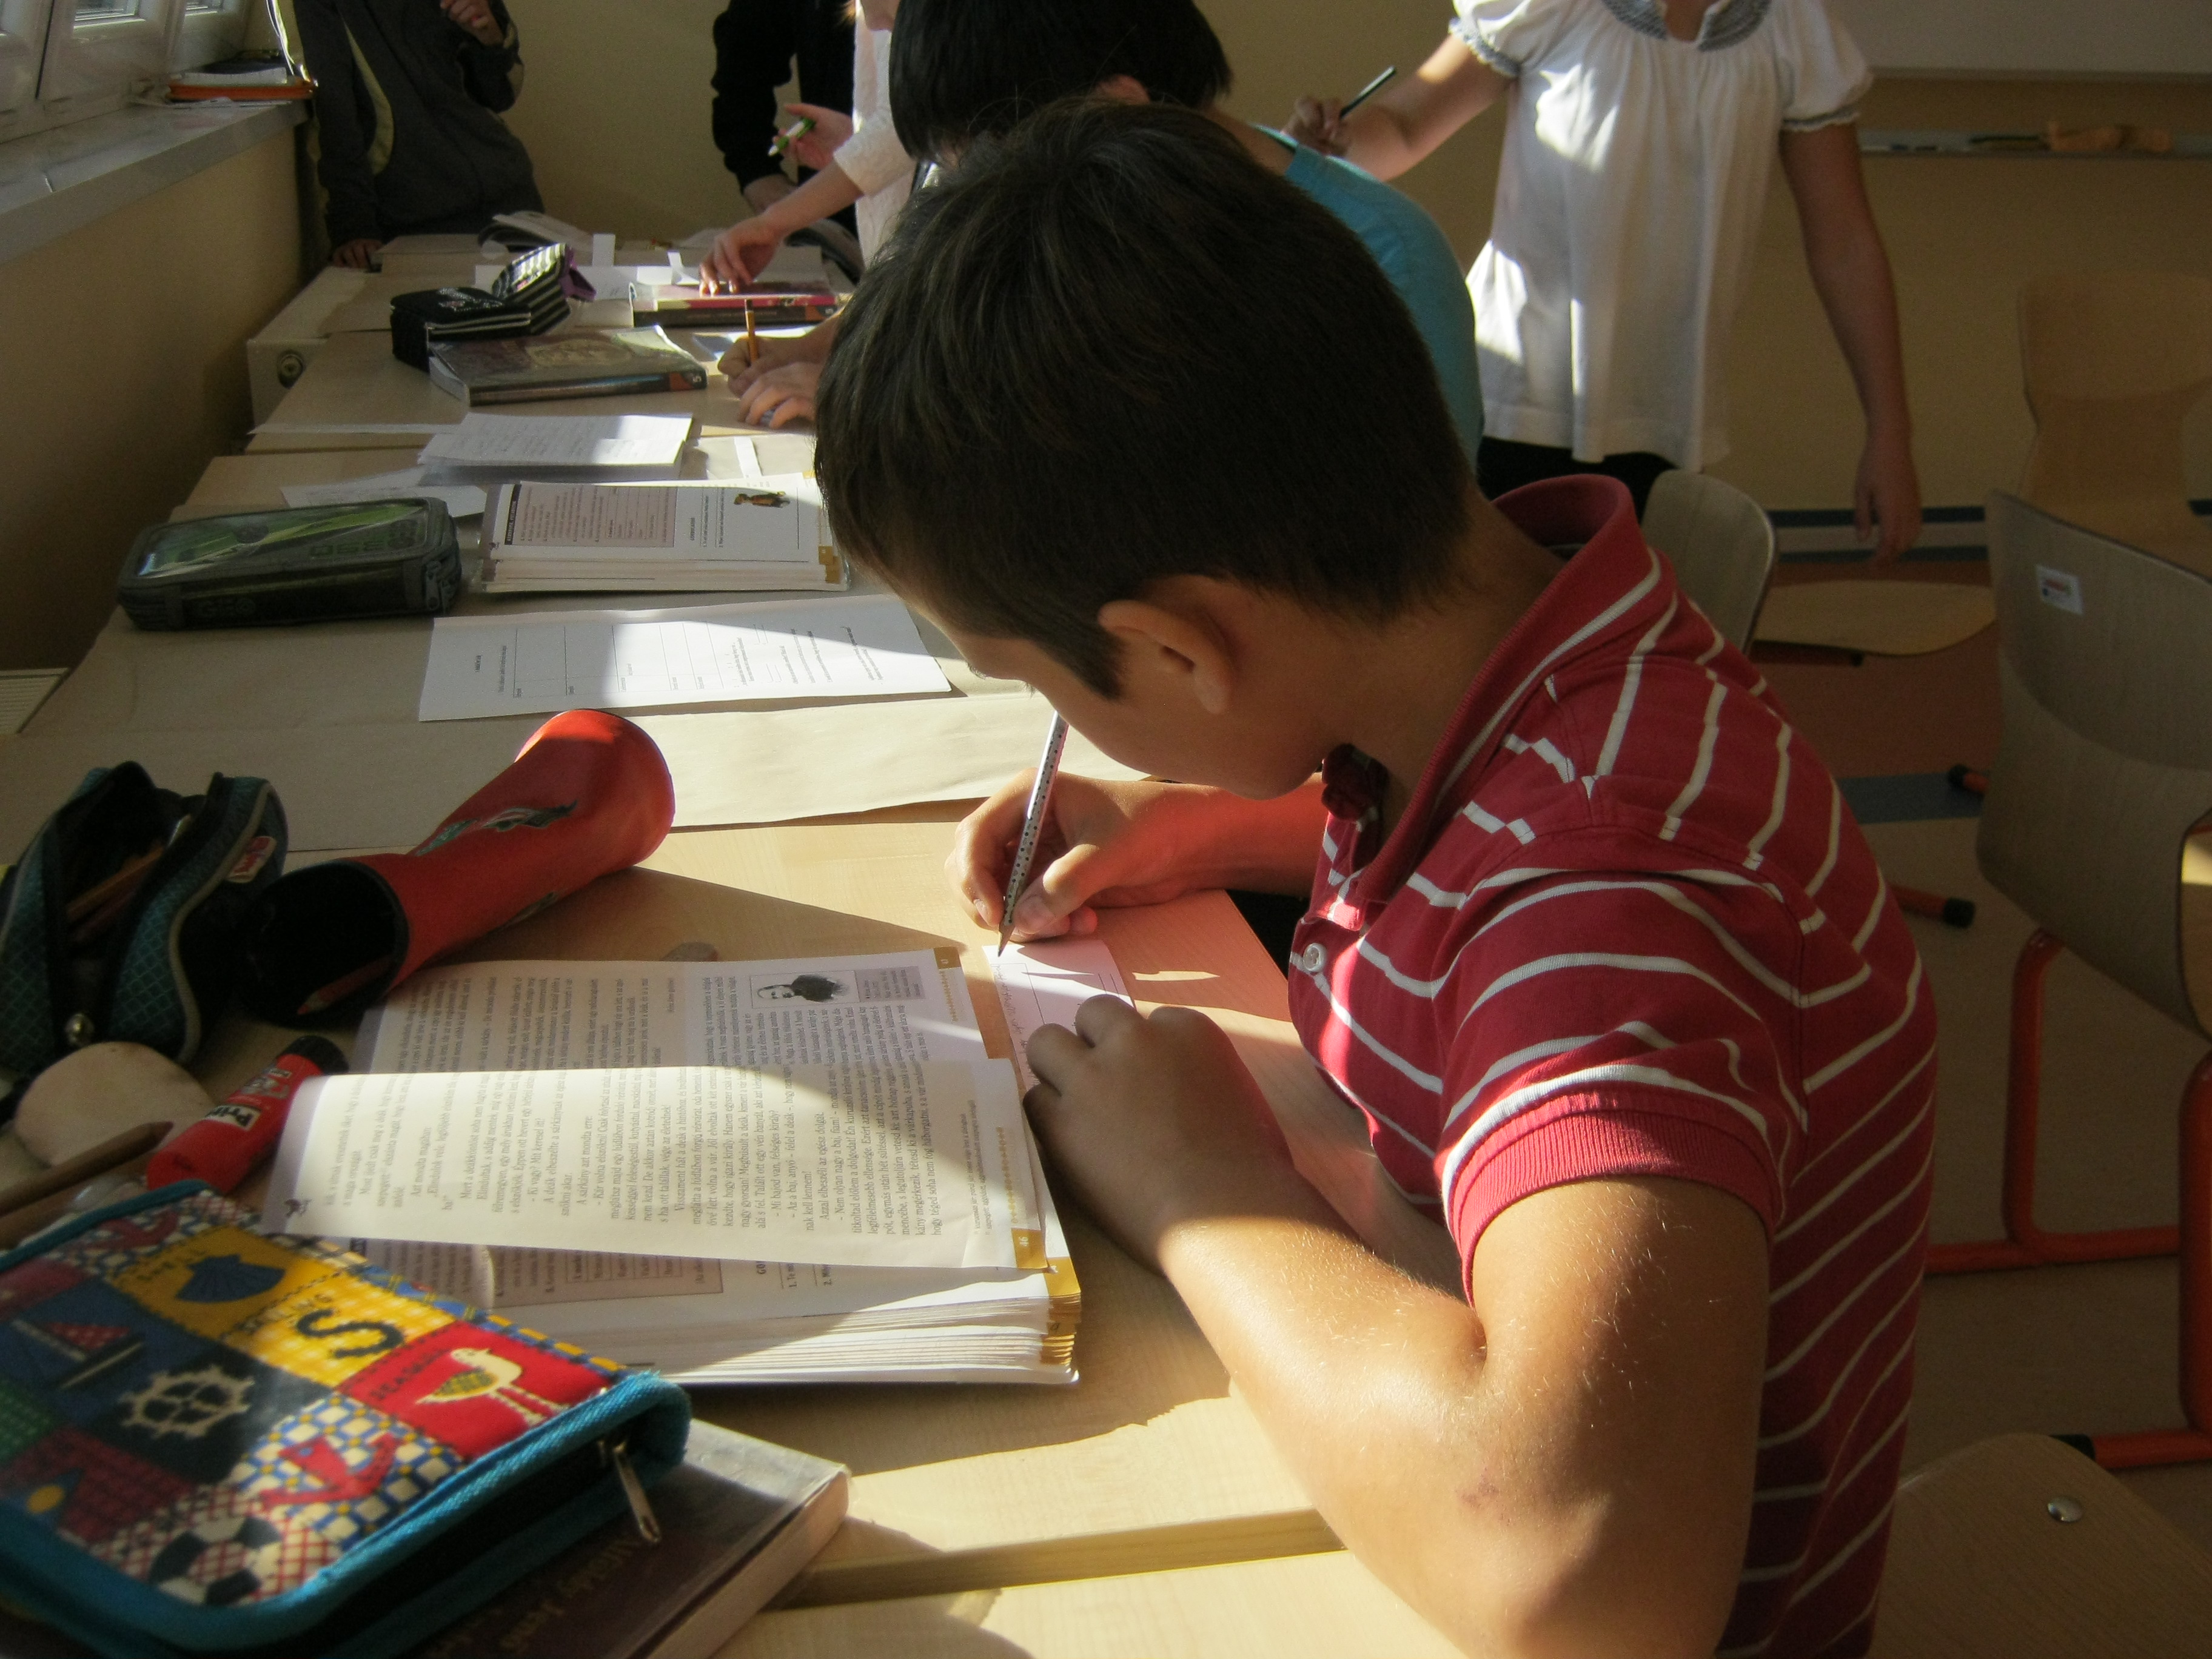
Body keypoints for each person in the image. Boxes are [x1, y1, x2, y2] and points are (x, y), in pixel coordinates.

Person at [816, 99, 1935, 1657]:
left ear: (1178, 650)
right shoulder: (1498, 664)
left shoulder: (1610, 888)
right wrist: (1192, 828)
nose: (1067, 729)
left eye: (1052, 689)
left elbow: (1582, 1577)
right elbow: (1487, 862)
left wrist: (1202, 1192)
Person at [726, 0, 1487, 454]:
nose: (975, 212)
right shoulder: (1109, 226)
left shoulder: (1381, 262)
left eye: (988, 173)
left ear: (1110, 111)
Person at [1289, 0, 1920, 547]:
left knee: (1621, 635)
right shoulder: (1559, 6)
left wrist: (1889, 432)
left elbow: (1845, 244)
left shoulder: (1793, 26)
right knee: (1498, 633)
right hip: (1509, 404)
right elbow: (1404, 127)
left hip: (1667, 418)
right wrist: (1332, 145)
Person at [293, 0, 543, 270]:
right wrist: (353, 227)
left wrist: (490, 36)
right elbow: (333, 111)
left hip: (513, 202)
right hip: (415, 223)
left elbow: (501, 94)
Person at [700, 0, 911, 294]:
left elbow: (903, 127)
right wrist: (855, 139)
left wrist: (773, 224)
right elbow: (911, 132)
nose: (869, 22)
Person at [709, 0, 862, 272]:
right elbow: (744, 43)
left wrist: (774, 223)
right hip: (837, 214)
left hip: (928, 221)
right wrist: (756, 170)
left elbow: (902, 137)